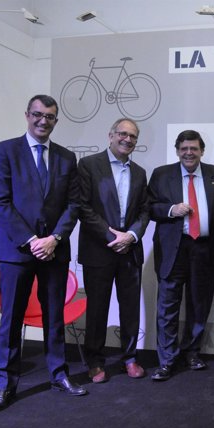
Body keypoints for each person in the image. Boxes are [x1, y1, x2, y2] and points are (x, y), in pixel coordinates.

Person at [0, 94, 87, 412]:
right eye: (38, 115)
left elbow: (74, 204)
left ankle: (59, 375)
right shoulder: (5, 151)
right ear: (27, 115)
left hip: (54, 251)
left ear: (56, 120)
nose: (44, 121)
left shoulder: (67, 158)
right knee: (11, 320)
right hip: (16, 251)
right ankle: (5, 386)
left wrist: (55, 238)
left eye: (50, 117)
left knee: (54, 318)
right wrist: (32, 240)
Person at [147, 130, 214, 381]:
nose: (189, 153)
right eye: (184, 149)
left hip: (204, 248)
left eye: (194, 148)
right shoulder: (162, 174)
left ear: (202, 150)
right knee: (167, 306)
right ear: (177, 150)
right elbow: (148, 207)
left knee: (199, 304)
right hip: (174, 248)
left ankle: (192, 352)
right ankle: (167, 360)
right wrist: (171, 209)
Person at [78, 118, 150, 383]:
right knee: (97, 309)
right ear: (110, 135)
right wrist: (112, 236)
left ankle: (130, 358)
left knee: (130, 308)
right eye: (122, 134)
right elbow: (83, 207)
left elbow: (145, 209)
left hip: (129, 250)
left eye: (133, 136)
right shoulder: (88, 165)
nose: (127, 139)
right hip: (99, 249)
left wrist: (130, 235)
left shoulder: (140, 172)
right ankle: (95, 362)